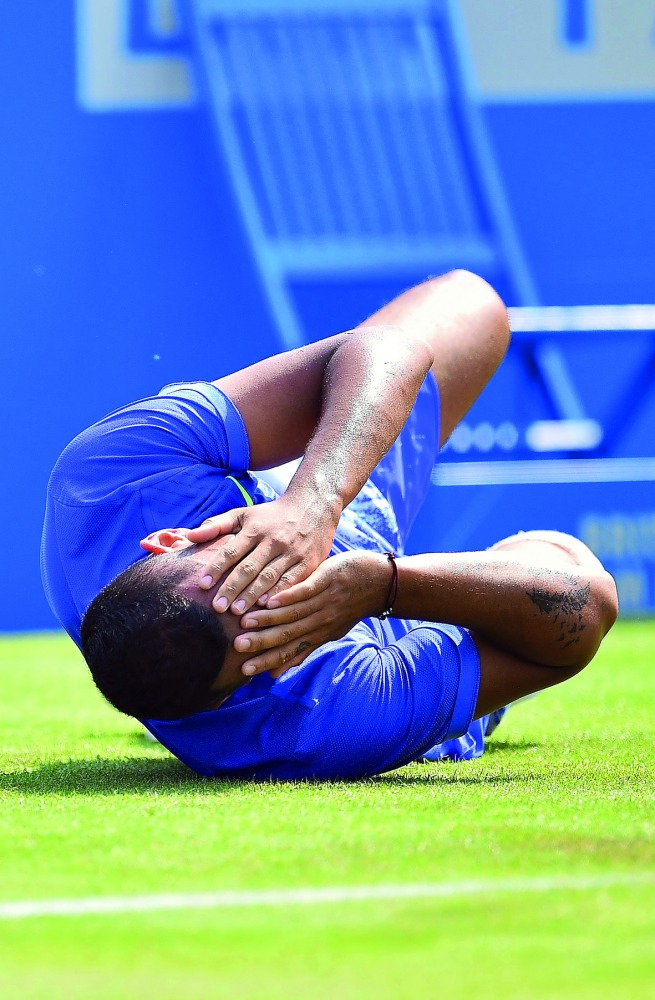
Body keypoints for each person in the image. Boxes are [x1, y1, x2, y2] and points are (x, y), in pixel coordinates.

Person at [41, 271, 618, 780]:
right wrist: (388, 586)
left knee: (472, 305)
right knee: (549, 554)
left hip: (315, 494)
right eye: (275, 625)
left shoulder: (105, 478)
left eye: (247, 566)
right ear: (247, 683)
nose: (290, 577)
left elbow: (389, 349)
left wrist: (311, 505)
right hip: (388, 630)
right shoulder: (318, 720)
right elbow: (589, 604)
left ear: (170, 541)